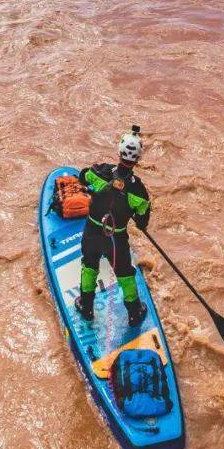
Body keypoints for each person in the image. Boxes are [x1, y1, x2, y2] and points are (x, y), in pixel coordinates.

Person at [74, 129, 152, 326]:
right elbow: (142, 223)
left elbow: (82, 176)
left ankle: (86, 306)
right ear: (138, 159)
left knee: (89, 266)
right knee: (124, 273)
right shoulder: (139, 192)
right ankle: (134, 313)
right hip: (116, 241)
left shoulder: (100, 172)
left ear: (119, 152)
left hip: (92, 233)